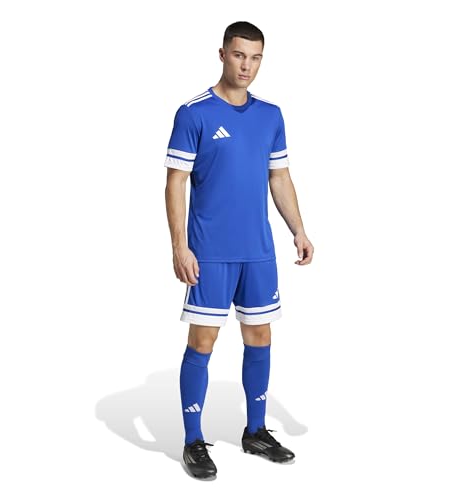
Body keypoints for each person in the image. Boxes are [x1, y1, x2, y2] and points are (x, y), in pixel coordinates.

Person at [164, 21, 314, 479]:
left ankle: (255, 431)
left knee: (260, 337)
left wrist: (299, 230)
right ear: (223, 54)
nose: (246, 65)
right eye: (238, 55)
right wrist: (179, 246)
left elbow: (279, 177)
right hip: (210, 252)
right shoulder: (194, 113)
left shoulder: (271, 115)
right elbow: (175, 183)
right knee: (203, 342)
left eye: (255, 57)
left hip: (258, 252)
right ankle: (193, 440)